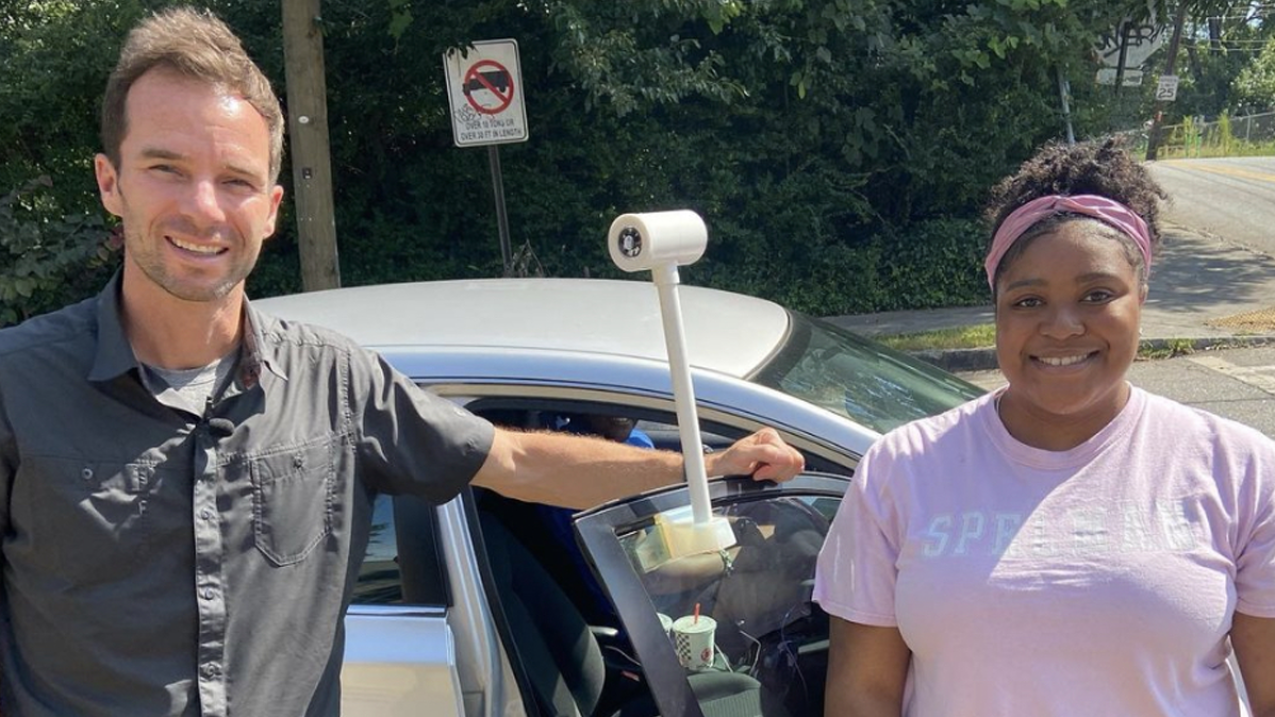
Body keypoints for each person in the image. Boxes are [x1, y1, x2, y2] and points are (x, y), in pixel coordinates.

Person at [0, 7, 805, 716]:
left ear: (271, 208)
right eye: (166, 168)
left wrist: (706, 466)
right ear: (110, 181)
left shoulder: (336, 383)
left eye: (235, 179)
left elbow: (517, 461)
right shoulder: (16, 388)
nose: (204, 207)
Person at [814, 139, 1275, 716]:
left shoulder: (1241, 469)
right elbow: (864, 695)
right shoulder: (900, 469)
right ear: (996, 307)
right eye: (1028, 301)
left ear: (1141, 297)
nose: (1061, 327)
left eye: (1097, 294)